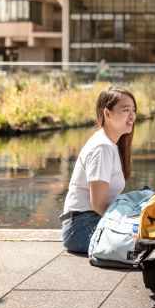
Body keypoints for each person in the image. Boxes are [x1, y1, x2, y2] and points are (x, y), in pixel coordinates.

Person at [60, 86, 136, 253]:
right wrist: (129, 223)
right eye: (126, 110)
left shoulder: (111, 145)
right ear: (107, 114)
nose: (132, 117)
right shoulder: (102, 147)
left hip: (90, 221)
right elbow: (99, 204)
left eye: (133, 110)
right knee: (146, 245)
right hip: (81, 228)